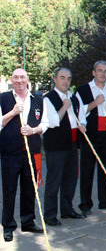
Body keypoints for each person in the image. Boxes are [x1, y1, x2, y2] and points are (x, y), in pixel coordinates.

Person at [0, 68, 47, 241]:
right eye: (16, 77)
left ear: (27, 79)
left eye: (22, 77)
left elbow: (46, 123)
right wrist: (13, 112)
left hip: (31, 151)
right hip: (9, 152)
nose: (19, 80)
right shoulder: (3, 98)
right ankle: (8, 225)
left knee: (29, 189)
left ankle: (28, 221)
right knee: (9, 189)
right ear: (11, 80)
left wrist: (33, 130)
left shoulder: (39, 100)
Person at [75, 61, 106, 215]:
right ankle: (85, 204)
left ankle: (104, 201)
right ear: (93, 72)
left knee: (105, 170)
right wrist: (94, 103)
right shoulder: (83, 90)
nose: (102, 74)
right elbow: (78, 112)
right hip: (90, 135)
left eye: (105, 71)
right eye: (99, 70)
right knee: (87, 171)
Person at [43, 68, 86, 227]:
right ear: (55, 79)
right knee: (54, 181)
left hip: (72, 144)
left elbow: (81, 117)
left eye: (68, 78)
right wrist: (64, 106)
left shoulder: (73, 98)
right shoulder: (48, 99)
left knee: (70, 179)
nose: (65, 81)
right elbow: (54, 121)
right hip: (56, 146)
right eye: (62, 78)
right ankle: (50, 215)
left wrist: (83, 125)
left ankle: (67, 210)